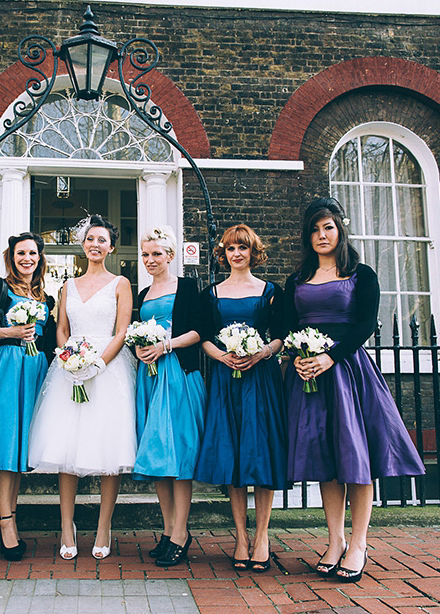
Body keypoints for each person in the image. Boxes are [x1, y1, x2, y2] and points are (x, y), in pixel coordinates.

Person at [284, 197, 425, 583]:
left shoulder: (361, 274)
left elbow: (365, 325)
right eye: (314, 229)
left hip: (348, 372)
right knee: (327, 461)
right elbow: (288, 324)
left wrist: (331, 357)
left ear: (340, 229)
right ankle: (335, 540)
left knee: (355, 459)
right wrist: (296, 354)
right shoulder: (297, 278)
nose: (321, 235)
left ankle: (359, 543)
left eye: (327, 227)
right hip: (309, 376)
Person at [28, 214, 136, 561]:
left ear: (111, 247)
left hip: (108, 369)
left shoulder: (121, 283)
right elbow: (61, 327)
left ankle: (104, 527)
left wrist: (99, 363)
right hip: (69, 367)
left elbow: (122, 331)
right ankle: (66, 525)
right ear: (83, 244)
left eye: (102, 240)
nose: (95, 245)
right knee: (66, 451)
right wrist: (67, 359)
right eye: (90, 239)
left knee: (109, 450)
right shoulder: (67, 286)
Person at [194, 223, 289, 573]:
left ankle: (262, 535)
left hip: (260, 378)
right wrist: (222, 356)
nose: (237, 254)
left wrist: (262, 352)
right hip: (225, 377)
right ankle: (240, 536)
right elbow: (203, 336)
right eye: (231, 248)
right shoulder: (212, 294)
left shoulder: (271, 291)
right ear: (224, 254)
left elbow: (281, 335)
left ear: (253, 252)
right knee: (233, 455)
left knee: (260, 453)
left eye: (243, 248)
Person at [0, 232, 57, 561]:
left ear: (40, 258)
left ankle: (12, 513)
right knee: (6, 442)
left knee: (24, 446)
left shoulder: (46, 298)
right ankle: (5, 520)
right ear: (11, 257)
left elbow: (52, 341)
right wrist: (11, 332)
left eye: (32, 253)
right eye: (20, 253)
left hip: (36, 370)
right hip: (8, 367)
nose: (27, 258)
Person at [132, 226, 206, 568]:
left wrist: (165, 346)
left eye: (157, 254)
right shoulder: (142, 293)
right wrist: (142, 348)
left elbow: (199, 331)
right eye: (146, 254)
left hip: (177, 374)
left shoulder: (188, 288)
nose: (150, 260)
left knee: (179, 455)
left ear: (171, 256)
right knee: (158, 454)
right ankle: (166, 530)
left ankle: (181, 532)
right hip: (150, 377)